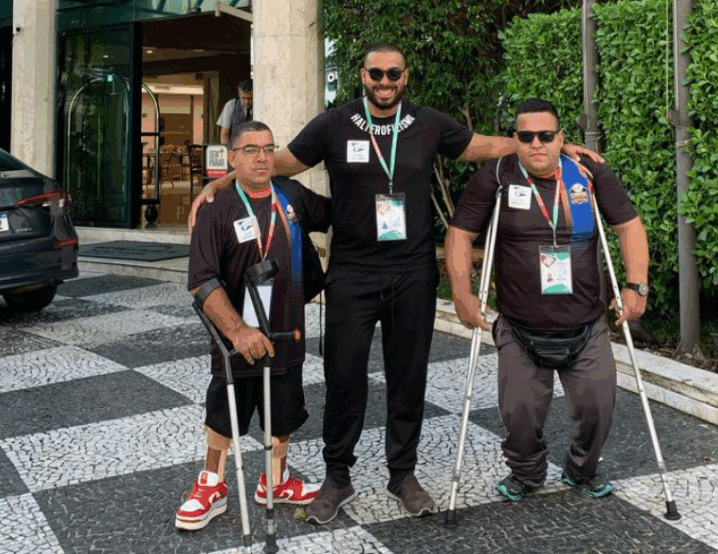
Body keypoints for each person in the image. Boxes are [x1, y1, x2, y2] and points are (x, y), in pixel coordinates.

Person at [189, 44, 600, 524]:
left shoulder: (427, 123)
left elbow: (483, 146)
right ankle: (337, 477)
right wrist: (222, 182)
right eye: (376, 74)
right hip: (352, 272)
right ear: (363, 76)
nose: (385, 82)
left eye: (393, 73)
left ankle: (402, 474)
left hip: (412, 273)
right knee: (344, 378)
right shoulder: (335, 123)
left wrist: (544, 146)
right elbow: (280, 162)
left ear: (405, 76)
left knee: (408, 377)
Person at [445, 98, 649, 504]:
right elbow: (460, 232)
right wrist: (462, 293)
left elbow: (628, 225)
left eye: (545, 135)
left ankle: (582, 469)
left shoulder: (589, 173)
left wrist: (636, 285)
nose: (536, 143)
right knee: (519, 417)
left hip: (586, 324)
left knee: (597, 409)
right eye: (526, 136)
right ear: (515, 139)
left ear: (561, 137)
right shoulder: (497, 175)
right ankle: (526, 473)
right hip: (520, 327)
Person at [176, 120, 329, 532]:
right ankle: (212, 485)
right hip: (237, 338)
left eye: (268, 148)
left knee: (283, 412)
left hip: (286, 332)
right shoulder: (216, 208)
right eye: (251, 150)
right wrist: (238, 332)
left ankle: (276, 480)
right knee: (223, 413)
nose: (262, 157)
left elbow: (337, 213)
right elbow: (201, 280)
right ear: (232, 158)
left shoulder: (291, 194)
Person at [217, 80, 254, 145]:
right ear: (239, 94)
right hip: (235, 146)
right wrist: (227, 149)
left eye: (250, 98)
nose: (247, 102)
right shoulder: (230, 105)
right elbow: (225, 133)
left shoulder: (259, 107)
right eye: (243, 98)